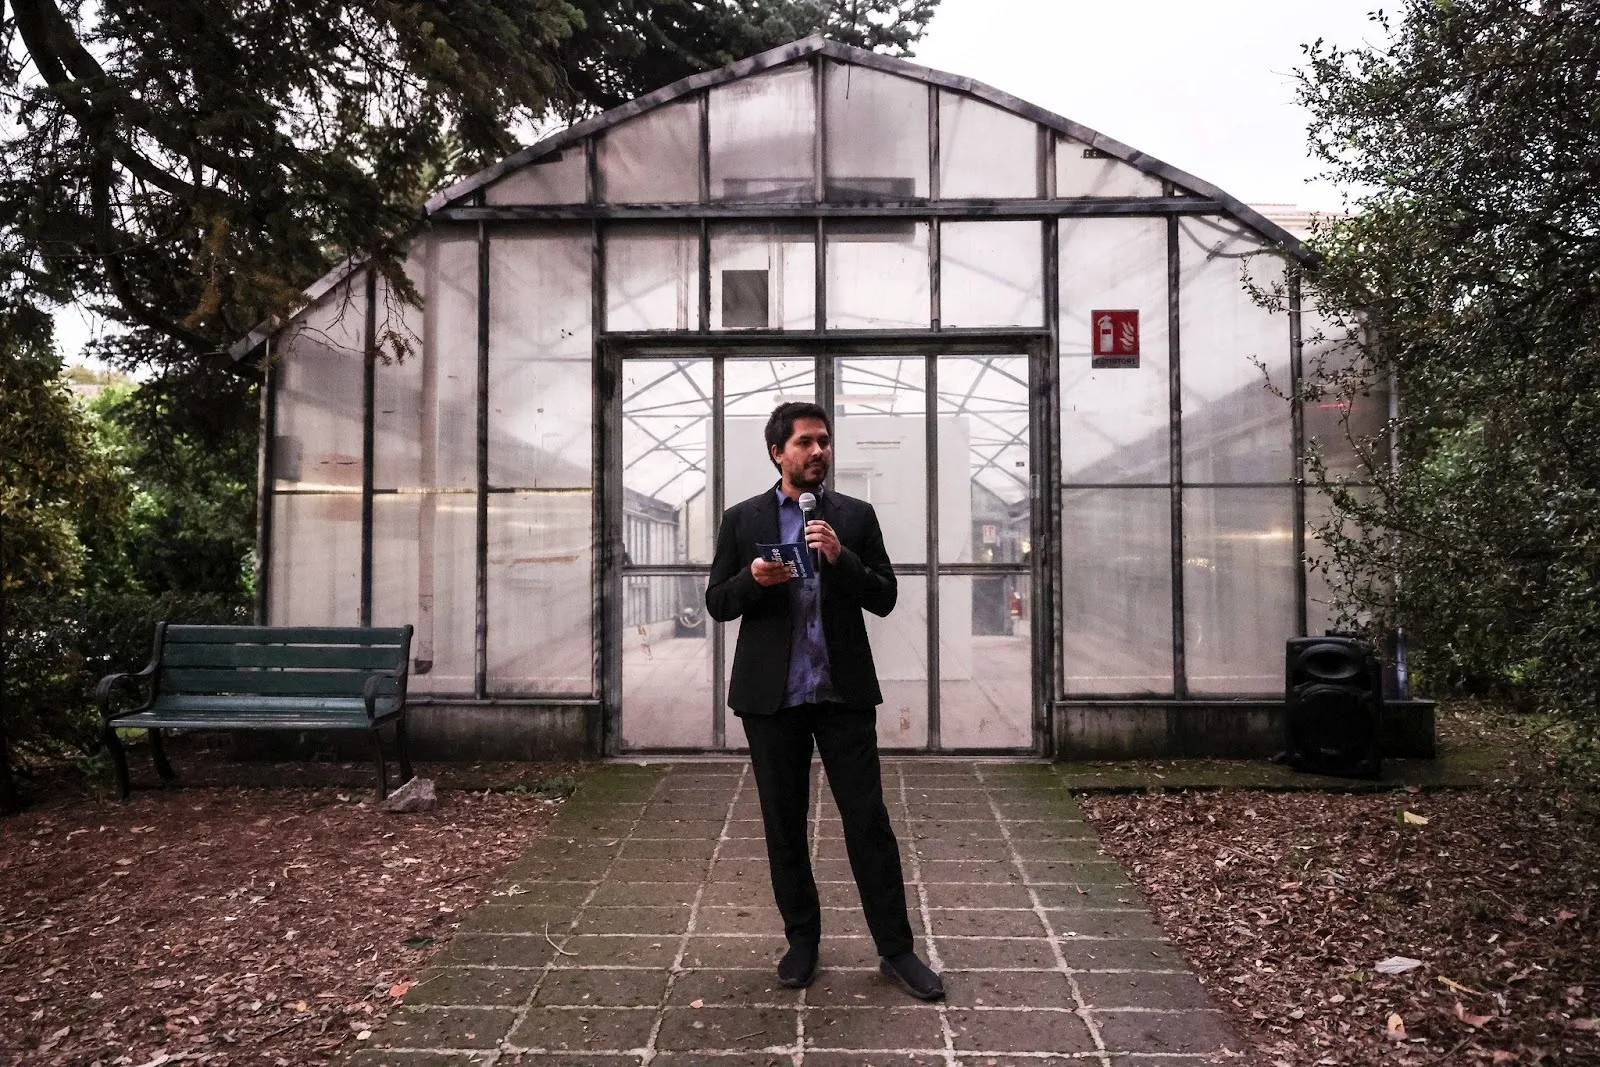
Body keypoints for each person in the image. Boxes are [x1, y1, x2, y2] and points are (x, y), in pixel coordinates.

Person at [704, 401, 943, 1002]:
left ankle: (896, 950)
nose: (818, 452)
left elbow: (884, 596)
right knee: (783, 825)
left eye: (824, 442)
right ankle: (802, 942)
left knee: (868, 822)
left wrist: (841, 559)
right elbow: (717, 602)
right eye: (805, 443)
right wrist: (753, 581)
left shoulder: (854, 517)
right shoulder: (742, 519)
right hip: (772, 698)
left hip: (842, 694)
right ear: (777, 453)